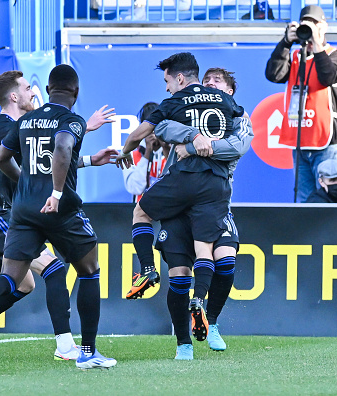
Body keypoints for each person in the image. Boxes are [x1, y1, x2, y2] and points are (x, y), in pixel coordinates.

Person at [0, 70, 118, 360]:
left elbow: (41, 166)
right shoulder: (14, 126)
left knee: (23, 283)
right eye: (26, 88)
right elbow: (51, 159)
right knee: (56, 269)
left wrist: (87, 158)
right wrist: (84, 128)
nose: (33, 92)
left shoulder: (0, 126)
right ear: (14, 96)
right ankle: (63, 344)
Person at [116, 52, 244, 345]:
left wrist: (125, 150)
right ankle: (199, 301)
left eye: (167, 81)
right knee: (205, 251)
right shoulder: (226, 102)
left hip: (185, 178)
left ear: (180, 78)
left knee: (141, 212)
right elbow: (240, 133)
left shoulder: (174, 102)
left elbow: (141, 133)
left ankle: (147, 269)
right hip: (216, 185)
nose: (166, 88)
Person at [0, 64, 115, 369]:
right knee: (89, 270)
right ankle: (87, 352)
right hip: (59, 209)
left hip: (24, 210)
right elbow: (61, 147)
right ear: (75, 91)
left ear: (47, 90)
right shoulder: (70, 120)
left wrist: (24, 183)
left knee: (10, 278)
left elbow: (0, 158)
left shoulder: (25, 120)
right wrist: (57, 192)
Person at [153, 68, 253, 359]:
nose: (209, 85)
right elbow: (161, 128)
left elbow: (240, 146)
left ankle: (213, 320)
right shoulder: (186, 109)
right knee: (181, 275)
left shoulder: (238, 118)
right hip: (179, 205)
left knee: (226, 260)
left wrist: (194, 146)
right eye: (206, 81)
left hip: (214, 203)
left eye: (217, 82)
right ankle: (183, 342)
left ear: (230, 92)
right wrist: (192, 135)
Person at [265, 5, 337, 203]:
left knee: (332, 198)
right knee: (305, 201)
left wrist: (317, 45)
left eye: (315, 23)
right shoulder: (296, 57)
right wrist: (285, 43)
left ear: (324, 26)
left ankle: (334, 235)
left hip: (327, 141)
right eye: (306, 23)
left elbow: (328, 76)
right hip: (300, 139)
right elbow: (273, 75)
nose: (310, 28)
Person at [122, 102, 169, 202]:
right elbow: (135, 188)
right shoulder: (131, 155)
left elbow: (177, 183)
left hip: (168, 209)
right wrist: (147, 152)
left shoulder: (172, 151)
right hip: (141, 211)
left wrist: (165, 146)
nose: (153, 132)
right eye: (149, 128)